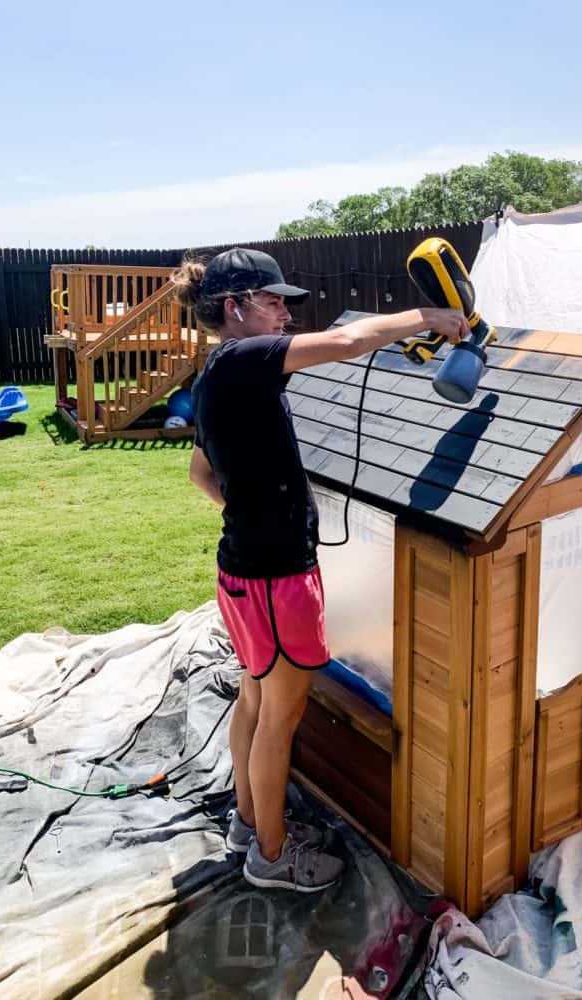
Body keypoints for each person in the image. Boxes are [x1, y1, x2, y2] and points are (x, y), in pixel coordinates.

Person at [173, 247, 469, 893]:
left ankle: (250, 824)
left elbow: (200, 472)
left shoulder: (218, 376)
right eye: (274, 301)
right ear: (235, 307)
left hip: (242, 573)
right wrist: (432, 316)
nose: (285, 313)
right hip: (277, 580)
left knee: (254, 697)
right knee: (280, 716)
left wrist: (254, 510)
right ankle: (272, 858)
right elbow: (347, 340)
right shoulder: (243, 360)